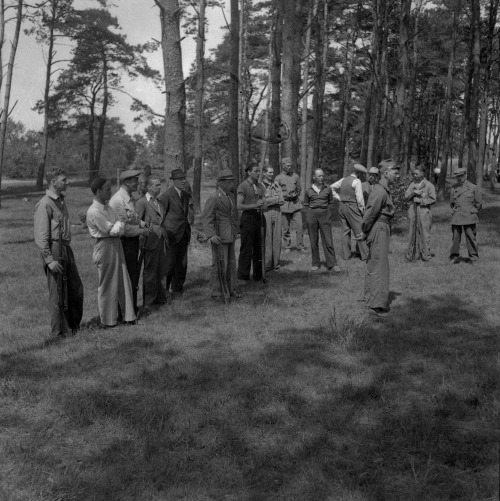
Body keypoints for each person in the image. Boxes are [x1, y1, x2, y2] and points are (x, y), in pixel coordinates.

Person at [34, 168, 83, 338]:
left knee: (75, 289)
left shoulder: (61, 201)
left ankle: (73, 326)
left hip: (65, 248)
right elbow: (41, 237)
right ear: (53, 182)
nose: (67, 182)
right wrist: (49, 260)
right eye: (64, 179)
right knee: (57, 292)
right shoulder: (45, 204)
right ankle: (59, 331)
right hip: (54, 249)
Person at [86, 177, 136, 327]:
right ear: (98, 191)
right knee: (107, 283)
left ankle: (128, 316)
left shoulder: (109, 208)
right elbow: (112, 230)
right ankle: (108, 320)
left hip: (116, 244)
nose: (110, 192)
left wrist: (118, 225)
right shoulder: (94, 211)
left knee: (123, 278)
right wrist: (119, 224)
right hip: (104, 246)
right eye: (107, 190)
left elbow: (118, 228)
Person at [359, 158, 400, 316]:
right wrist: (365, 230)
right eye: (395, 173)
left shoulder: (383, 189)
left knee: (375, 263)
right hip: (379, 228)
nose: (397, 176)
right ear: (387, 172)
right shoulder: (380, 190)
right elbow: (370, 213)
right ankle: (377, 304)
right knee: (379, 265)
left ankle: (371, 298)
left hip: (381, 227)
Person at [109, 169, 149, 313]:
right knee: (126, 276)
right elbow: (123, 228)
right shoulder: (118, 200)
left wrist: (143, 223)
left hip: (132, 242)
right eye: (134, 181)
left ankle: (131, 308)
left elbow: (133, 218)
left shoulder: (129, 197)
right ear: (126, 182)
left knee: (133, 274)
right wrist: (142, 231)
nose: (137, 183)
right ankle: (124, 310)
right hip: (124, 243)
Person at [202, 169, 240, 300]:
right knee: (218, 264)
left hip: (230, 235)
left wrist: (236, 230)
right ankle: (217, 292)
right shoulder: (214, 197)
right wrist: (211, 235)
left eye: (232, 182)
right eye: (229, 182)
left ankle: (230, 290)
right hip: (219, 237)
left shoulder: (231, 196)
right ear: (221, 183)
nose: (232, 184)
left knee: (230, 264)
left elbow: (233, 215)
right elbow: (207, 218)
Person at [158, 169, 194, 296]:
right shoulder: (166, 195)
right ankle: (165, 290)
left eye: (184, 178)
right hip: (171, 235)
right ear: (173, 181)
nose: (183, 181)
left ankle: (178, 288)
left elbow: (186, 213)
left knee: (182, 263)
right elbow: (161, 216)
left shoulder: (185, 195)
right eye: (179, 179)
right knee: (169, 263)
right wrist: (165, 233)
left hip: (183, 233)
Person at [136, 176, 168, 308]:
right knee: (150, 271)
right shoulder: (142, 202)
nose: (159, 187)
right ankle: (148, 302)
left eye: (160, 185)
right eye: (157, 185)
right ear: (149, 187)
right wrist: (145, 228)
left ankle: (160, 298)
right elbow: (137, 221)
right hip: (149, 241)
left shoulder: (159, 202)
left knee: (161, 270)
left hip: (161, 240)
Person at [304, 169, 342, 272]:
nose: (321, 178)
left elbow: (330, 202)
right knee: (313, 240)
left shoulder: (328, 188)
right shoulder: (308, 190)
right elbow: (306, 205)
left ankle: (332, 264)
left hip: (325, 214)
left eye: (322, 176)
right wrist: (310, 215)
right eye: (319, 176)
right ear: (314, 177)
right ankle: (315, 263)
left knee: (328, 239)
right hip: (312, 215)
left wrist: (325, 212)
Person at [331, 163, 368, 261]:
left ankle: (346, 256)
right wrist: (362, 211)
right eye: (361, 174)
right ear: (358, 173)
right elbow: (359, 199)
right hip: (352, 207)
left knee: (345, 231)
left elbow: (331, 187)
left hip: (342, 207)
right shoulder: (357, 181)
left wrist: (339, 198)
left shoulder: (343, 180)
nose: (362, 176)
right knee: (360, 230)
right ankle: (365, 256)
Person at [236, 164, 266, 284]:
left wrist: (263, 202)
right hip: (248, 218)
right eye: (255, 171)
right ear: (249, 172)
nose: (258, 173)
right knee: (246, 248)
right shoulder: (243, 186)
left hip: (259, 218)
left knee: (259, 248)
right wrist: (254, 205)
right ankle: (243, 276)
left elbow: (265, 202)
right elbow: (239, 206)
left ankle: (259, 275)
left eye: (259, 171)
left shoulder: (260, 186)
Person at [449, 167, 482, 264]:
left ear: (466, 175)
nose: (460, 178)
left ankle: (473, 258)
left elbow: (479, 203)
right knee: (455, 238)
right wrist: (453, 211)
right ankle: (454, 256)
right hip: (457, 215)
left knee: (471, 236)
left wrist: (473, 210)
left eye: (462, 176)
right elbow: (451, 203)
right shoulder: (453, 188)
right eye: (458, 177)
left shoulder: (473, 187)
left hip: (469, 215)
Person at [404, 166, 436, 261]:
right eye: (413, 173)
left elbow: (433, 199)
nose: (414, 175)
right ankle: (413, 255)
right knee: (412, 232)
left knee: (425, 233)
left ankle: (426, 256)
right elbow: (406, 196)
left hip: (424, 212)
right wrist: (413, 192)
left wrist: (420, 200)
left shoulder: (429, 185)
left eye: (416, 173)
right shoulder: (412, 184)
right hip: (413, 211)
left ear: (422, 173)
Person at [275, 157, 306, 253]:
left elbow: (299, 188)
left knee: (299, 226)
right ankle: (287, 246)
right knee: (285, 228)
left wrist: (296, 194)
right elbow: (276, 191)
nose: (289, 167)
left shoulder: (295, 176)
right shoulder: (278, 178)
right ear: (283, 165)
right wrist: (285, 195)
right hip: (284, 204)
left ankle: (300, 246)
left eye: (290, 165)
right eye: (287, 165)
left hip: (295, 204)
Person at [262, 165, 284, 272]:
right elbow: (263, 203)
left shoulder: (277, 186)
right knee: (267, 237)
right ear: (264, 173)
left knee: (277, 237)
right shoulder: (260, 186)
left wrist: (271, 200)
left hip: (278, 212)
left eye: (272, 172)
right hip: (266, 213)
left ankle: (276, 263)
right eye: (269, 172)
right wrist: (276, 199)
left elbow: (282, 200)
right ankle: (267, 263)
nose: (272, 174)